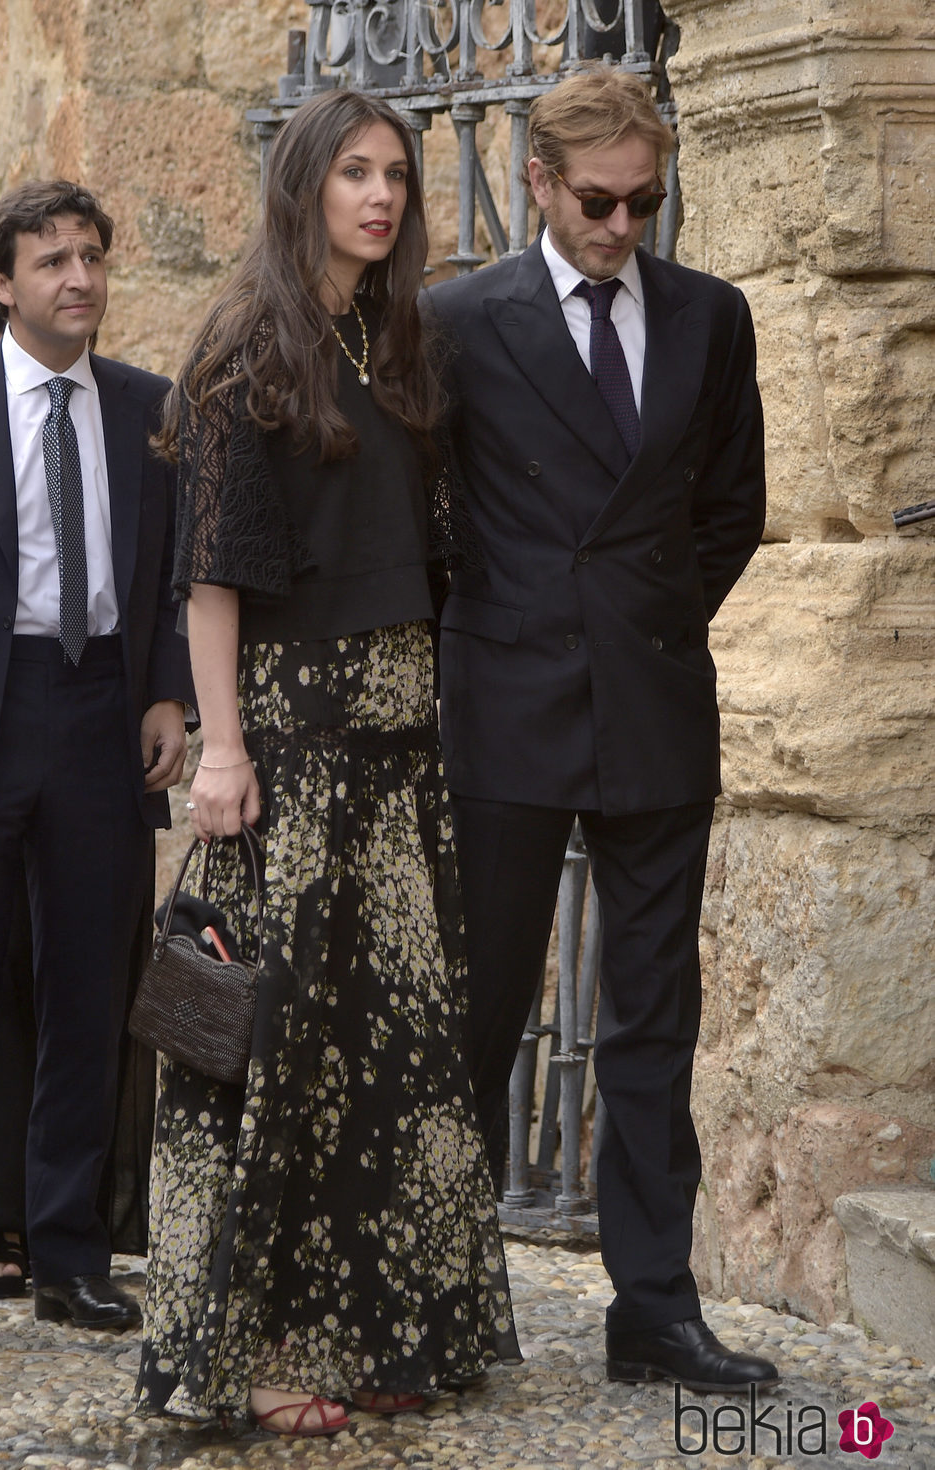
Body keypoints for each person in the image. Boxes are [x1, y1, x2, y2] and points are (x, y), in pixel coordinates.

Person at [135, 88, 520, 1439]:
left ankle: (385, 1315)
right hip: (292, 745)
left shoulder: (400, 338)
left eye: (399, 176)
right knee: (282, 1049)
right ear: (303, 183)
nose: (381, 196)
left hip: (399, 744)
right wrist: (222, 749)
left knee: (396, 1040)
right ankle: (262, 1339)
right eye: (354, 171)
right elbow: (212, 578)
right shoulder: (247, 348)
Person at [425, 64, 778, 1393]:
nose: (624, 228)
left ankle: (655, 1305)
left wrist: (644, 618)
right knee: (483, 1008)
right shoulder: (458, 320)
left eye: (646, 203)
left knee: (651, 1018)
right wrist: (514, 629)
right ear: (536, 181)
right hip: (504, 707)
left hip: (653, 707)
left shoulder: (709, 316)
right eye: (599, 203)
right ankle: (442, 1289)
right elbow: (424, 525)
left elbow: (732, 508)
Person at [0, 179, 193, 1342]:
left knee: (91, 996)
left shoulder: (148, 409)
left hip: (100, 710)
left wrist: (166, 693)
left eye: (92, 257)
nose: (79, 280)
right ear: (0, 282)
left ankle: (69, 1254)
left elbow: (167, 572)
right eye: (51, 261)